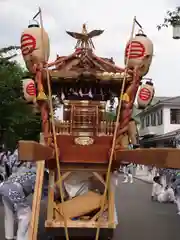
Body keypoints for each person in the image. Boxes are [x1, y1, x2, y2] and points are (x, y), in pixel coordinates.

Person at [0, 163, 51, 240]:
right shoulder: (39, 177)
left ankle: (9, 236)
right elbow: (40, 195)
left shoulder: (25, 170)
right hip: (15, 188)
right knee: (25, 215)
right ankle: (22, 238)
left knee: (8, 213)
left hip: (4, 186)